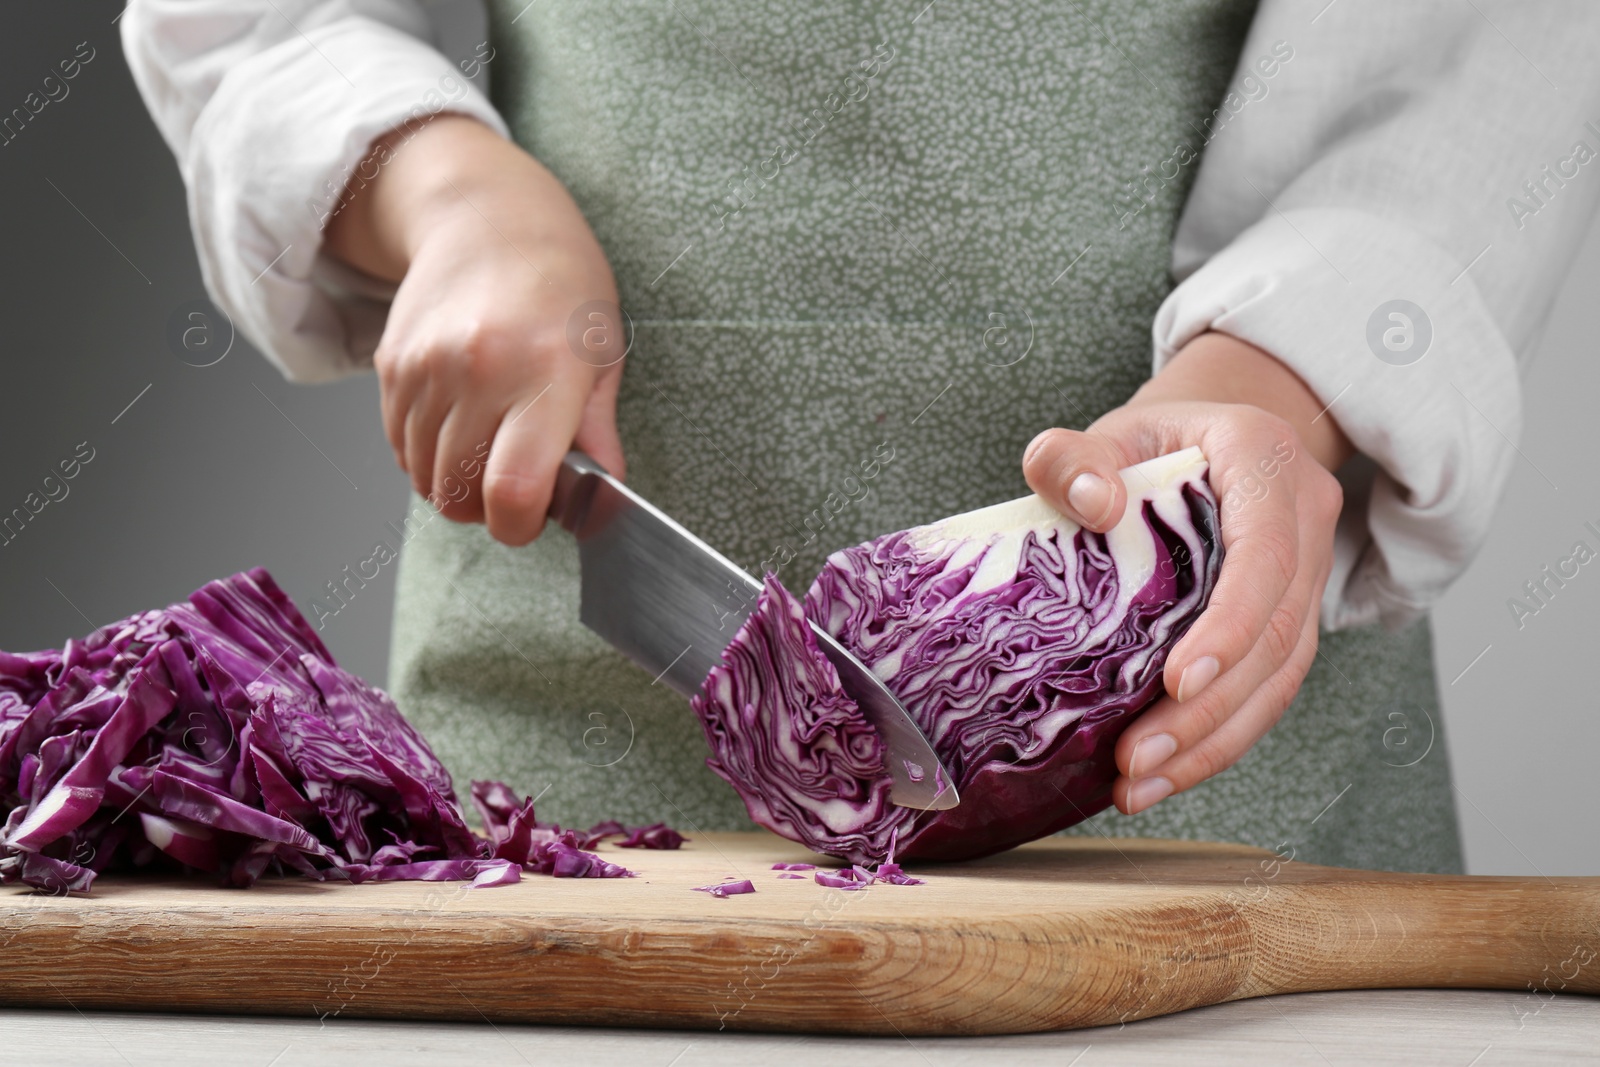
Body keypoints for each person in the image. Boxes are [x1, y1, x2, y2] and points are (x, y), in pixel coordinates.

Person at [122, 0, 1600, 873]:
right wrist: (437, 190)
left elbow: (1489, 46)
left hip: (1219, 793)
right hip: (555, 789)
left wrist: (1285, 387)